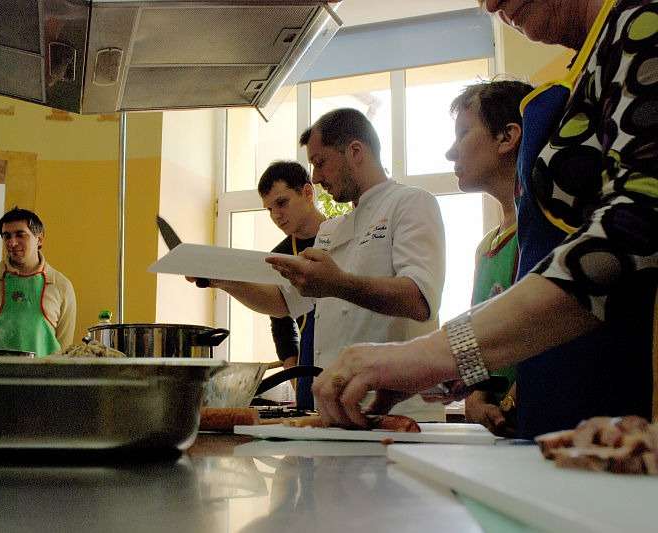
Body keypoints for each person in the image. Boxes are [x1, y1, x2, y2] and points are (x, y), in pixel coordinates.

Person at [312, 0, 658, 439]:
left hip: (622, 408)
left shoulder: (642, 22)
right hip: (569, 421)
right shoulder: (590, 61)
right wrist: (444, 372)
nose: (490, 5)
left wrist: (432, 354)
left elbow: (636, 229)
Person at [196, 108, 446, 421]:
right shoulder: (332, 229)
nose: (314, 177)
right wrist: (222, 279)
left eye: (320, 162)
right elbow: (284, 303)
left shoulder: (411, 203)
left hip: (400, 413)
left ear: (355, 151)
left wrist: (337, 284)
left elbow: (419, 299)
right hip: (335, 409)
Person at [445, 79, 535, 435]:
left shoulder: (543, 234)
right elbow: (479, 336)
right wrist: (476, 395)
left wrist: (515, 398)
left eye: (463, 134)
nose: (451, 153)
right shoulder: (485, 248)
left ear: (506, 137)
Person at [260, 161, 326, 410]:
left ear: (308, 193)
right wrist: (296, 379)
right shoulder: (279, 256)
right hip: (307, 366)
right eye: (269, 209)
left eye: (281, 203)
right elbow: (281, 323)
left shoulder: (345, 236)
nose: (275, 215)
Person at [0, 207, 77, 356]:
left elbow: (65, 351)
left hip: (43, 371)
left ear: (39, 239)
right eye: (7, 236)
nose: (12, 242)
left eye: (20, 235)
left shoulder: (62, 286)